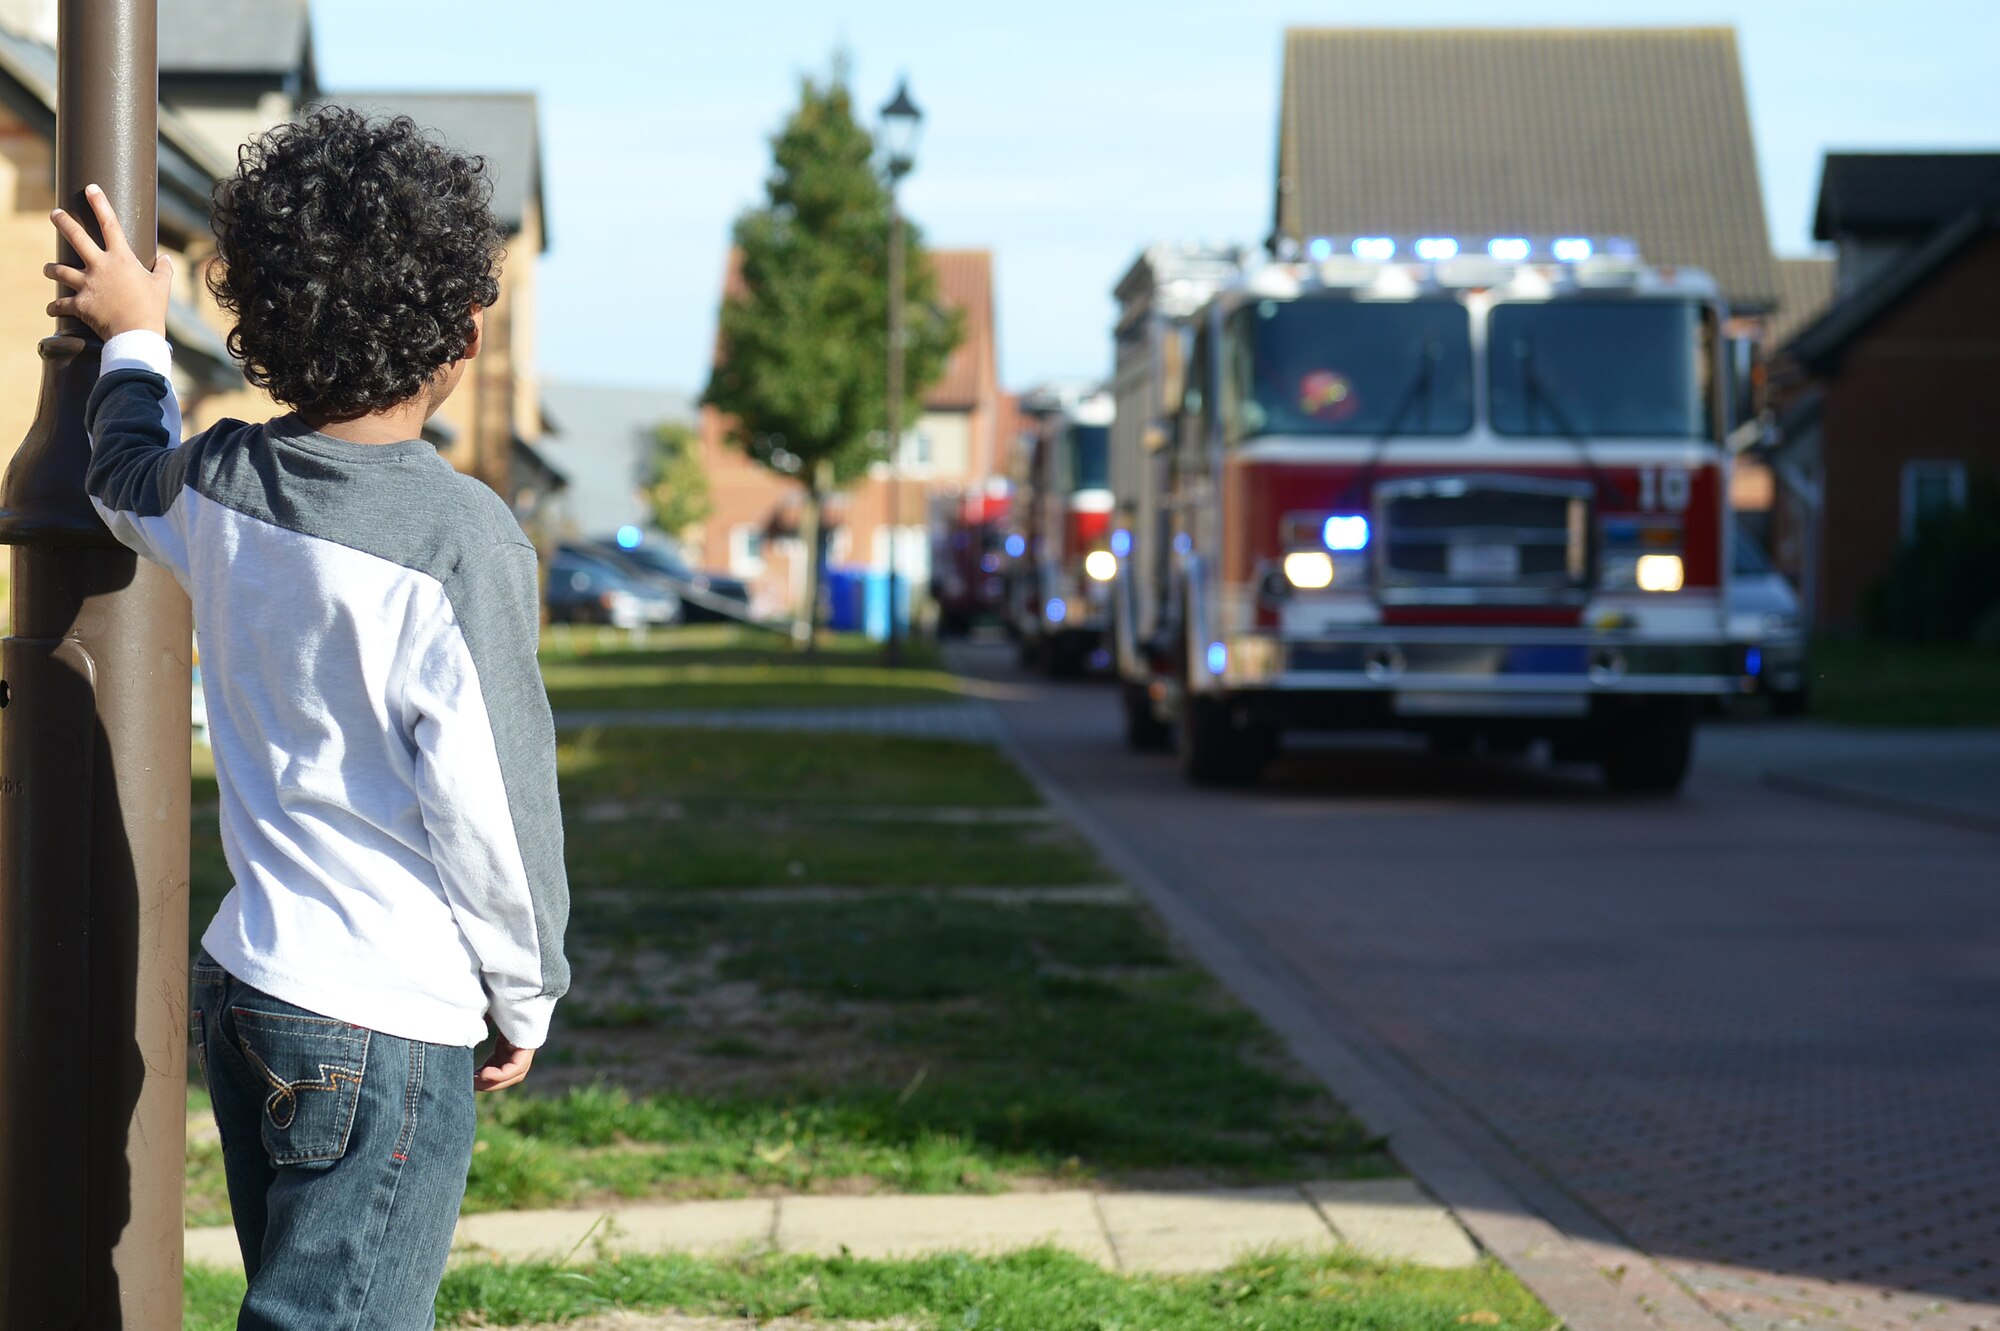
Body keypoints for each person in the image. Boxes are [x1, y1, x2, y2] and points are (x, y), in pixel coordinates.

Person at [47, 107, 569, 1327]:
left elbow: (121, 478)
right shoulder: (462, 542)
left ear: (266, 321)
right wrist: (527, 989)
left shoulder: (223, 481)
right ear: (466, 333)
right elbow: (496, 805)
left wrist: (132, 334)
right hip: (384, 1022)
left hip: (251, 991)